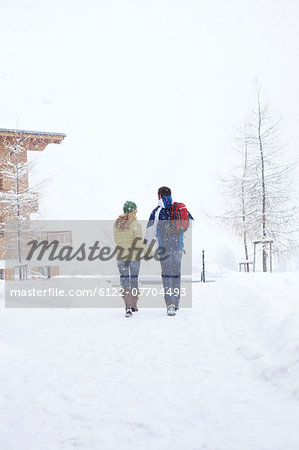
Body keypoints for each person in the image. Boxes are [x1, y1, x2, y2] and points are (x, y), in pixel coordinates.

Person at [145, 186, 191, 316]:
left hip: (164, 249)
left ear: (159, 196)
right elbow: (189, 224)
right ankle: (176, 303)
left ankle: (170, 303)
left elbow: (149, 231)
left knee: (167, 276)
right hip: (178, 248)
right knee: (176, 276)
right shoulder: (179, 207)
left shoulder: (158, 211)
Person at [114, 201, 150, 318]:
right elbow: (138, 242)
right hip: (133, 257)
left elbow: (116, 240)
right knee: (134, 280)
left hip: (121, 257)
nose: (137, 211)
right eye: (136, 209)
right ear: (132, 211)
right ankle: (134, 305)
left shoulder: (117, 224)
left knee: (125, 282)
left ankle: (127, 308)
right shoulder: (135, 224)